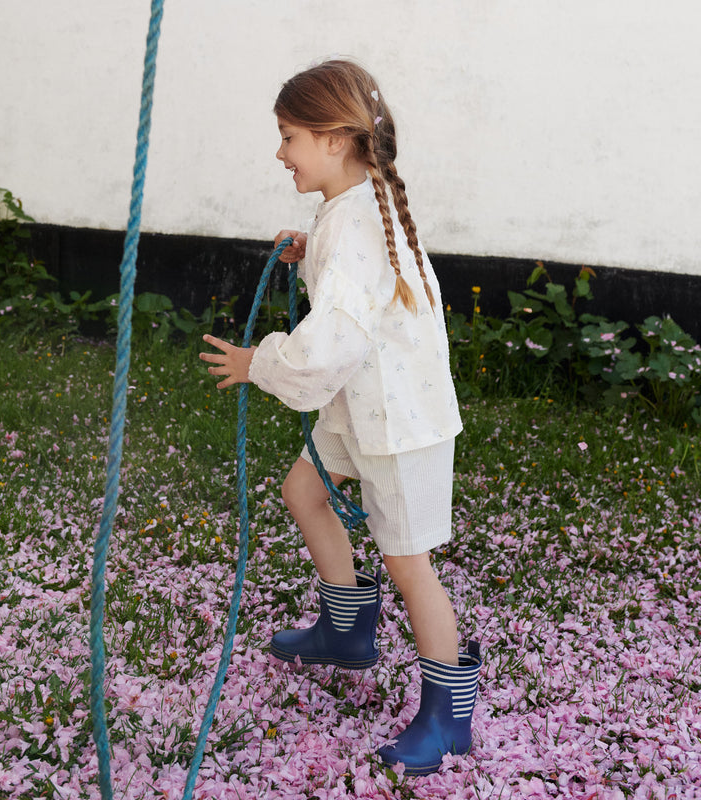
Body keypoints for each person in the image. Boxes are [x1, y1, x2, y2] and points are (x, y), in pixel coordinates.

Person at [199, 58, 481, 776]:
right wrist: (309, 259)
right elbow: (358, 290)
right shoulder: (355, 204)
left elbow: (334, 341)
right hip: (364, 400)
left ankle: (448, 716)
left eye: (289, 136)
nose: (280, 152)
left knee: (409, 566)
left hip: (398, 418)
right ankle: (348, 629)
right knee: (304, 491)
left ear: (332, 139)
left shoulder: (356, 223)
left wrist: (256, 361)